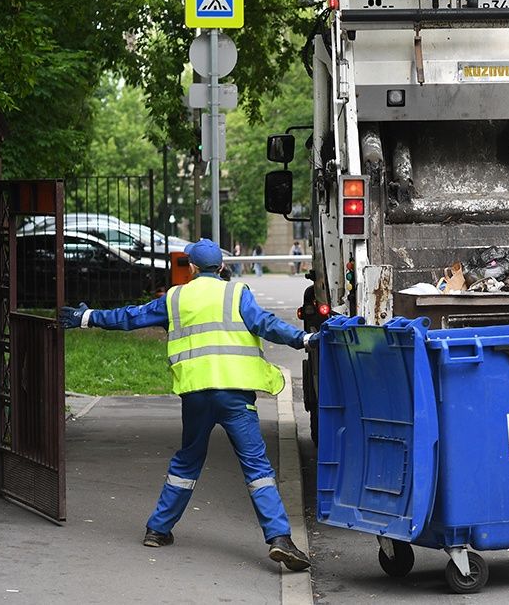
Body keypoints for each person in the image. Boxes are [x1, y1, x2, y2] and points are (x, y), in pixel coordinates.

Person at [58, 238, 317, 571]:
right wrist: (304, 338)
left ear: (192, 268)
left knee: (188, 461)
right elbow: (267, 325)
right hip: (235, 395)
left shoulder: (175, 297)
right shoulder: (237, 294)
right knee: (257, 468)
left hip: (196, 395)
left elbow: (129, 317)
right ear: (222, 267)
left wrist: (86, 317)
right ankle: (279, 539)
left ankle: (158, 529)